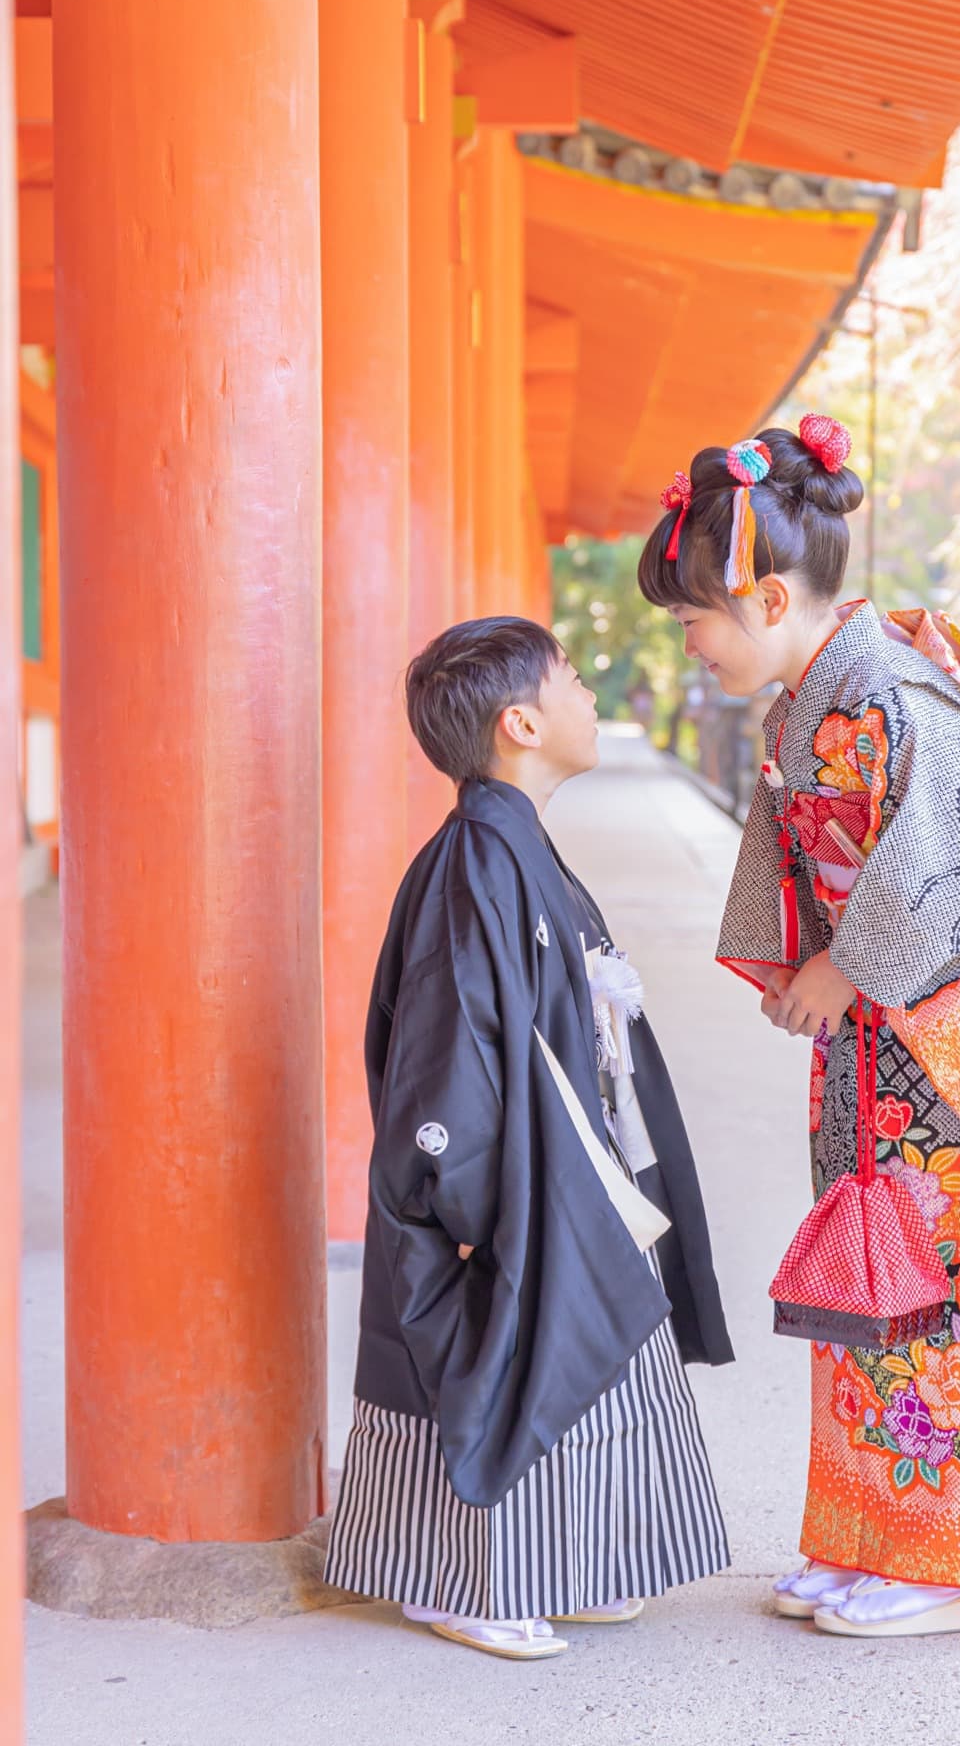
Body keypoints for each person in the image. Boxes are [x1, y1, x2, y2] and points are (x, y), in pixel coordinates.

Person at [639, 417, 960, 1640]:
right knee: (869, 1282)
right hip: (884, 1053)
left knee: (956, 1292)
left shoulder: (898, 696)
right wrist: (807, 967)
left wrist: (845, 968)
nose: (689, 641)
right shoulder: (812, 699)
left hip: (958, 1059)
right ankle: (868, 1532)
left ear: (762, 596)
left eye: (694, 616)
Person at [324, 616, 733, 1662]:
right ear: (518, 722)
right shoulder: (475, 860)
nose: (590, 696)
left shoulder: (509, 841)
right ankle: (454, 1580)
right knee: (505, 1353)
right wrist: (459, 1194)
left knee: (594, 1338)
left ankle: (573, 1560)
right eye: (572, 680)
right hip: (506, 1173)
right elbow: (446, 1040)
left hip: (565, 1157)